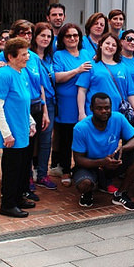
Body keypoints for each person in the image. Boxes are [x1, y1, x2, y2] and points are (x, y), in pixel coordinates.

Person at [0, 37, 37, 218]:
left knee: (22, 167)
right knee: (12, 169)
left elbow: (23, 102)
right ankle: (8, 204)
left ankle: (18, 197)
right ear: (11, 56)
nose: (28, 57)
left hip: (22, 129)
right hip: (12, 133)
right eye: (24, 54)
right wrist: (6, 134)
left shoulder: (21, 73)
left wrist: (30, 122)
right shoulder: (3, 75)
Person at [72, 93, 134, 211]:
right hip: (91, 165)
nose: (104, 111)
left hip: (112, 162)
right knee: (84, 184)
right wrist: (101, 162)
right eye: (99, 108)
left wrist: (123, 148)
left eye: (107, 108)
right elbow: (78, 159)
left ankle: (120, 194)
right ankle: (89, 191)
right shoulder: (81, 128)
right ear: (91, 109)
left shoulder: (118, 118)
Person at [52, 23, 93, 187]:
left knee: (84, 136)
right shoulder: (59, 55)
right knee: (66, 138)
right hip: (66, 103)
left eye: (75, 35)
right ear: (62, 38)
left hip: (85, 103)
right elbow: (56, 77)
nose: (72, 39)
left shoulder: (86, 53)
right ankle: (66, 170)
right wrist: (77, 70)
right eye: (68, 36)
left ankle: (82, 168)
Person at [77, 33, 134, 124]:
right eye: (107, 43)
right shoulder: (90, 66)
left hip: (118, 114)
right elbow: (82, 90)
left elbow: (130, 92)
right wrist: (81, 113)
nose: (110, 47)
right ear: (101, 45)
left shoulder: (123, 67)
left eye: (114, 45)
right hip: (94, 114)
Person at [31, 22, 57, 190]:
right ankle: (28, 176)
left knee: (46, 140)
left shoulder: (50, 58)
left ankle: (42, 174)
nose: (46, 39)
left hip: (51, 102)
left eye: (49, 36)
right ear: (35, 37)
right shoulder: (29, 56)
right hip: (33, 104)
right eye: (42, 35)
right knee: (30, 140)